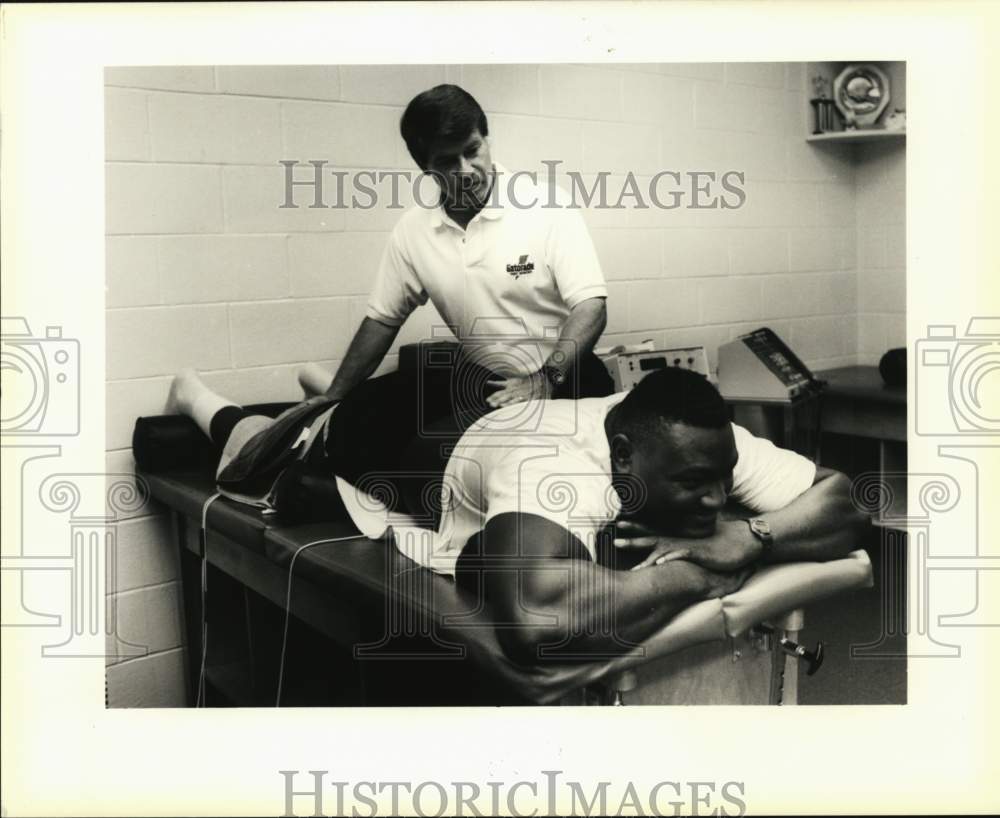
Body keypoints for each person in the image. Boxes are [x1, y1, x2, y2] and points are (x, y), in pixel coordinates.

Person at [168, 365, 868, 666]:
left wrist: (753, 534)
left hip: (494, 413)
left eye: (724, 484)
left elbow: (843, 501)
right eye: (695, 488)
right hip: (411, 442)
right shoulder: (557, 474)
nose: (716, 501)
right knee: (273, 451)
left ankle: (328, 399)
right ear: (621, 456)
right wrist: (701, 573)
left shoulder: (699, 441)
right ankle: (220, 402)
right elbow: (535, 620)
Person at [297, 83, 613, 453]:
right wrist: (334, 395)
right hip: (486, 380)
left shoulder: (547, 205)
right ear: (426, 168)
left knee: (428, 451)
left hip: (566, 378)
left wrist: (544, 379)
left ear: (486, 139)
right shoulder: (413, 230)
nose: (466, 171)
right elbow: (382, 320)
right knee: (351, 422)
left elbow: (592, 306)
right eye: (447, 162)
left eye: (472, 151)